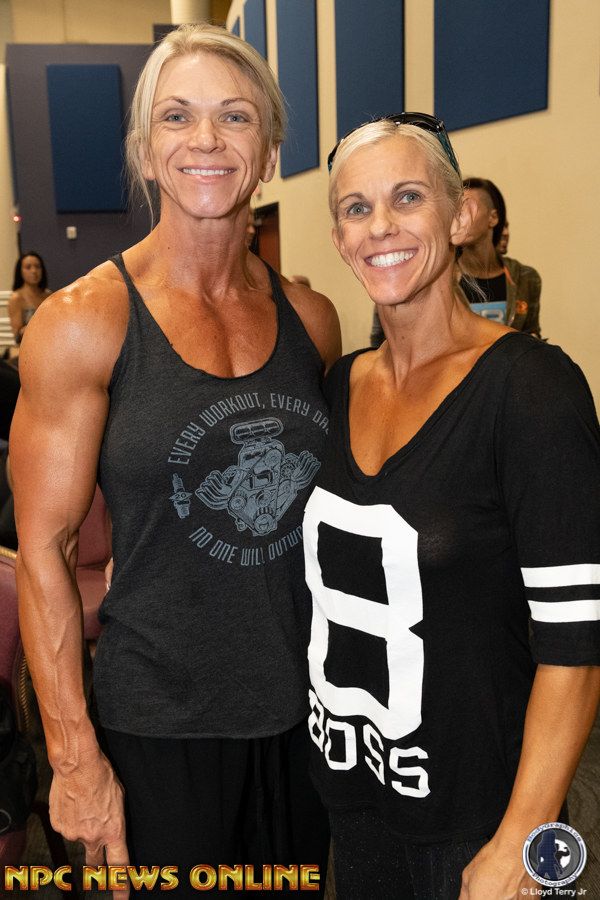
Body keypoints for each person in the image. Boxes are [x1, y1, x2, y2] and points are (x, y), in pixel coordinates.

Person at [11, 24, 340, 897]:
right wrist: (74, 758)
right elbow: (45, 549)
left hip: (304, 718)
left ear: (269, 151)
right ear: (145, 150)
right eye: (177, 116)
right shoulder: (83, 323)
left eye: (235, 117)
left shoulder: (312, 322)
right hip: (158, 726)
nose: (206, 140)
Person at [303, 113, 600, 899]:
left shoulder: (532, 390)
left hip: (481, 825)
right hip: (357, 800)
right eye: (357, 208)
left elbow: (576, 645)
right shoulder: (337, 385)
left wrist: (521, 840)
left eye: (408, 197)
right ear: (339, 239)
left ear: (461, 214)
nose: (381, 226)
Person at [459, 178, 542, 337]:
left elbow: (532, 336)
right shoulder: (442, 279)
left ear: (493, 218)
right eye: (455, 210)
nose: (459, 217)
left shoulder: (524, 278)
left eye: (468, 208)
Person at [9, 251, 51, 344]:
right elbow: (17, 337)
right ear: (20, 271)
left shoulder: (49, 295)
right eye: (28, 267)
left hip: (50, 343)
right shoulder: (16, 298)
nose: (34, 271)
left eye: (37, 267)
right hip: (27, 345)